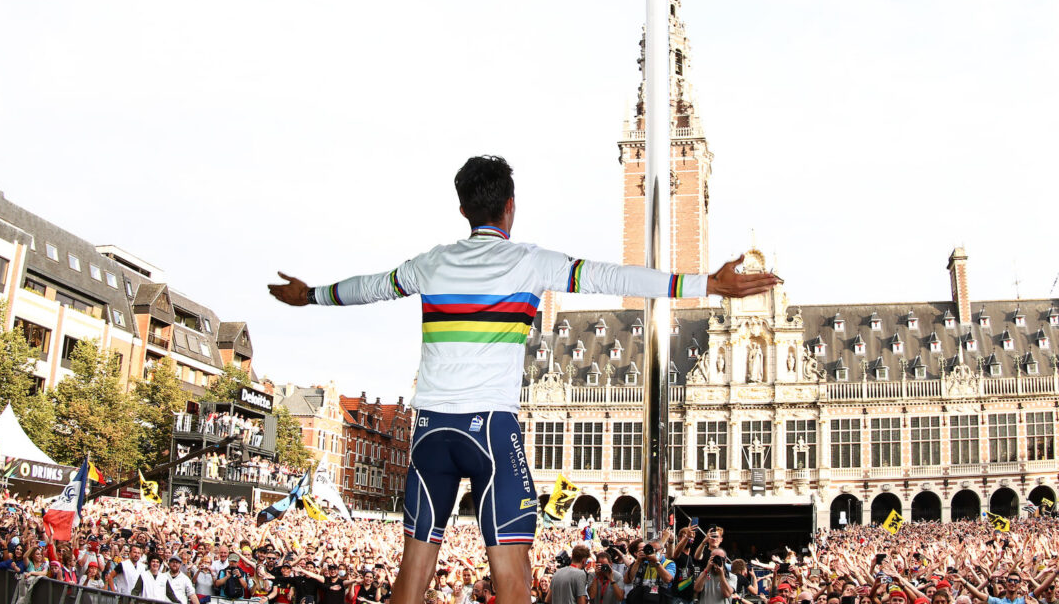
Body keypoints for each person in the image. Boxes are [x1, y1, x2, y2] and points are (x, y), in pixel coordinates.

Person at [268, 156, 777, 604]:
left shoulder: (431, 263)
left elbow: (368, 287)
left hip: (430, 431)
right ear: (510, 207)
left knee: (412, 574)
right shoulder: (528, 262)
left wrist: (309, 295)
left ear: (462, 209)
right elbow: (613, 276)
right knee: (513, 578)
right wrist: (706, 283)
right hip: (490, 430)